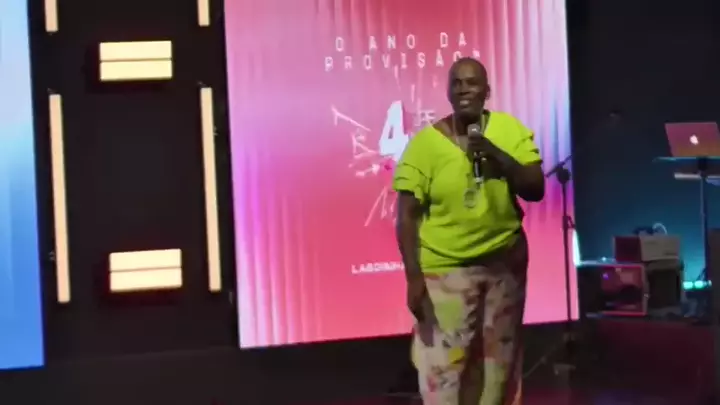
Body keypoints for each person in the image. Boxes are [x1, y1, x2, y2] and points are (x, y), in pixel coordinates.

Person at [392, 57, 545, 405]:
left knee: (498, 366)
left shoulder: (508, 131)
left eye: (472, 83)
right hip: (446, 272)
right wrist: (413, 278)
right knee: (445, 370)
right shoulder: (425, 146)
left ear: (486, 91)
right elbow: (406, 216)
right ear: (448, 93)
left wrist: (497, 156)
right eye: (457, 83)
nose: (464, 90)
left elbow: (535, 188)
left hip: (503, 268)